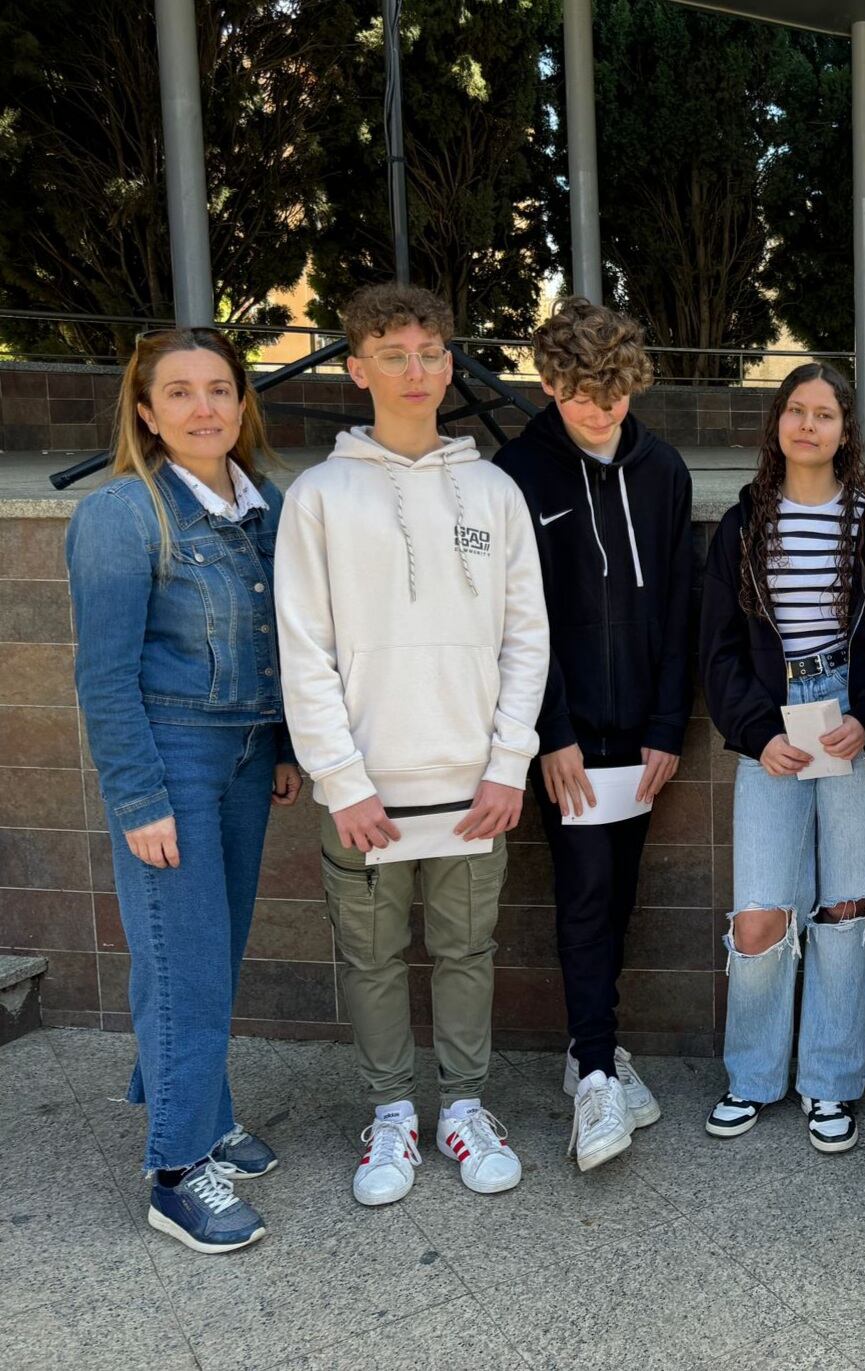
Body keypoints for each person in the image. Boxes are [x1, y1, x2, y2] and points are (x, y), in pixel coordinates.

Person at [276, 283, 550, 1206]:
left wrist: (509, 763)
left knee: (469, 953)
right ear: (357, 368)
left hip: (475, 787)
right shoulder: (318, 497)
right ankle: (391, 1111)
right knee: (372, 959)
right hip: (365, 794)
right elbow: (303, 649)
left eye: (432, 352)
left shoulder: (494, 489)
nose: (416, 370)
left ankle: (464, 1108)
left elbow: (527, 637)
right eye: (393, 354)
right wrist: (341, 780)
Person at [68, 329, 302, 1253]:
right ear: (146, 411)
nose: (204, 407)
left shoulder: (267, 506)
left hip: (246, 753)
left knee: (209, 947)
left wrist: (281, 741)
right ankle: (175, 1169)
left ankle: (203, 1104)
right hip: (173, 758)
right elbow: (104, 675)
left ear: (242, 404)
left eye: (219, 389)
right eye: (180, 393)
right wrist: (138, 799)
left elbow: (278, 638)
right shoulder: (123, 515)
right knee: (186, 960)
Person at [493, 297, 692, 1172]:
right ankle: (598, 1070)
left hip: (642, 736)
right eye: (581, 397)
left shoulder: (665, 470)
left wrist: (667, 725)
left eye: (615, 397)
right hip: (568, 737)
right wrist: (551, 733)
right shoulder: (515, 474)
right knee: (581, 892)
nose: (601, 413)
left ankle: (592, 1050)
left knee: (620, 893)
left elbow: (683, 607)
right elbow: (515, 618)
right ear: (548, 383)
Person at [700, 363, 865, 1152]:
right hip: (774, 729)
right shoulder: (744, 524)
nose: (810, 425)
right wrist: (758, 732)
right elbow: (718, 649)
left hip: (853, 722)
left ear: (846, 430)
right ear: (777, 423)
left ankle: (829, 1082)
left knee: (847, 910)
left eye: (825, 414)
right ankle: (752, 1074)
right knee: (759, 915)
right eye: (797, 411)